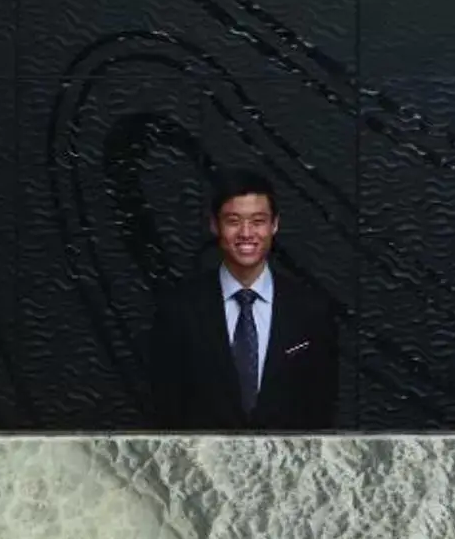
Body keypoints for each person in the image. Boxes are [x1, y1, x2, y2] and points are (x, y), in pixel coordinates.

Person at [146, 165, 341, 430]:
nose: (246, 233)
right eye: (234, 221)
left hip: (288, 466)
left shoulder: (311, 310)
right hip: (200, 468)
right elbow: (165, 409)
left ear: (275, 225)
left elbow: (321, 410)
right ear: (215, 225)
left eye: (258, 221)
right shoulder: (179, 309)